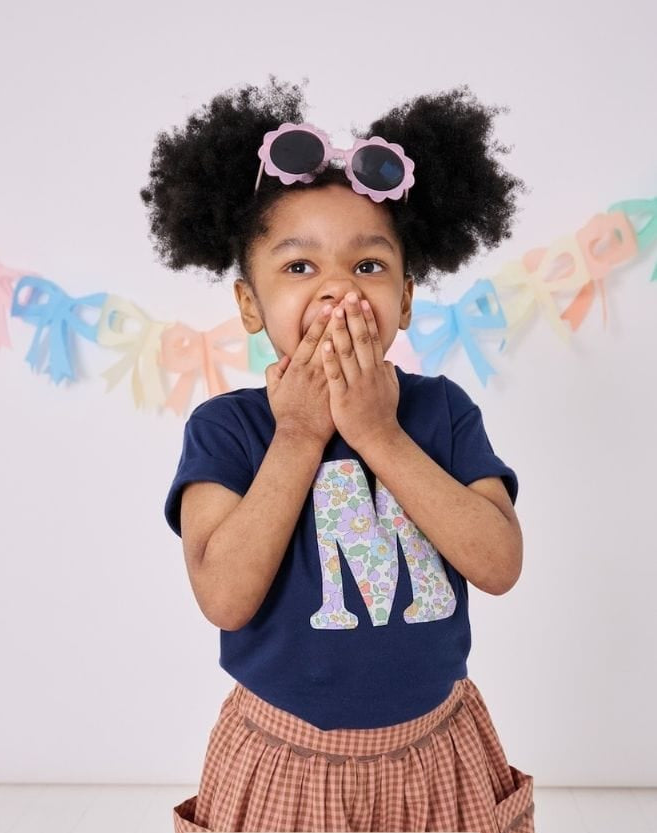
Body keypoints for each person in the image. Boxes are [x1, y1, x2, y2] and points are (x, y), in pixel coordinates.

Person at [141, 75, 535, 833]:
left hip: (435, 748)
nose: (339, 292)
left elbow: (498, 563)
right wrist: (298, 434)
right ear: (249, 304)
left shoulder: (440, 412)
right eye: (298, 267)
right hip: (284, 754)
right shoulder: (228, 430)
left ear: (408, 298)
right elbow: (223, 597)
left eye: (368, 266)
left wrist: (380, 434)